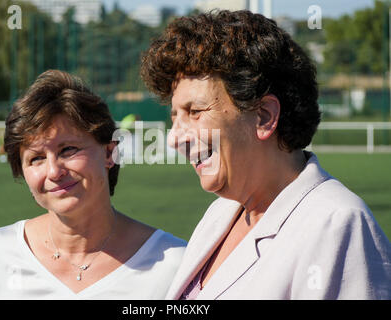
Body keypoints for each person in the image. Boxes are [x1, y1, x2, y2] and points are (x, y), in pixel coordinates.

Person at [140, 10, 391, 299]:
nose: (174, 138)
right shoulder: (221, 212)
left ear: (263, 116)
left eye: (194, 112)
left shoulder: (337, 225)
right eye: (175, 116)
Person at [0, 70, 186, 299]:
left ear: (110, 153)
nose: (54, 171)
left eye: (68, 149)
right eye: (36, 158)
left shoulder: (175, 266)